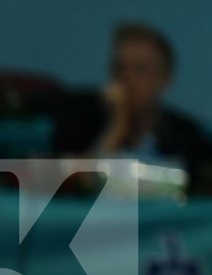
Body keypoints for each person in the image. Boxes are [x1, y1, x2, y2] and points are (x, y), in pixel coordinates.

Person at [57, 23, 204, 171]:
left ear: (165, 80)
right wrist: (116, 128)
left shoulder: (185, 136)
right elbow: (76, 182)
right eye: (119, 68)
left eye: (140, 69)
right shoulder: (81, 123)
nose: (127, 77)